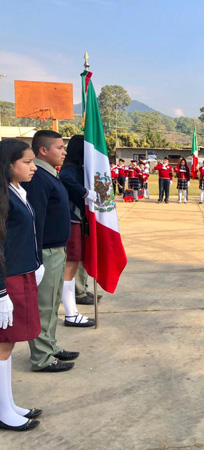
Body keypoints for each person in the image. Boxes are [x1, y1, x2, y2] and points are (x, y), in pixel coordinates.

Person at [22, 130, 78, 372]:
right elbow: (36, 222)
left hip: (56, 250)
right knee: (43, 305)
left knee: (53, 302)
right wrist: (36, 258)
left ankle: (50, 345)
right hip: (45, 251)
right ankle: (42, 357)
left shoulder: (49, 175)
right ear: (43, 151)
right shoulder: (37, 179)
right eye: (59, 147)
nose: (64, 152)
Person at [0, 139, 42, 431]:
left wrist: (35, 263)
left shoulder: (16, 191)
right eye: (27, 162)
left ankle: (8, 403)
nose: (33, 167)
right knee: (3, 345)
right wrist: (1, 291)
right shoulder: (2, 195)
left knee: (9, 345)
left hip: (22, 273)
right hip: (8, 279)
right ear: (9, 165)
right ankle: (3, 411)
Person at [58, 135, 96, 327]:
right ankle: (71, 313)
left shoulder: (78, 167)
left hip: (77, 220)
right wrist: (85, 193)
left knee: (73, 267)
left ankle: (73, 308)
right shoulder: (71, 168)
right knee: (70, 267)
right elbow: (66, 179)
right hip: (72, 220)